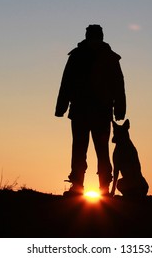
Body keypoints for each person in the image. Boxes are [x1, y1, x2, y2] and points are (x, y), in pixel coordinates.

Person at [55, 24, 126, 197]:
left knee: (82, 149)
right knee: (99, 150)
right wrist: (120, 108)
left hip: (85, 111)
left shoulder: (79, 56)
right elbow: (119, 84)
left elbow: (66, 82)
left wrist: (61, 107)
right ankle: (99, 188)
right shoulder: (108, 57)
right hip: (95, 111)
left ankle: (80, 187)